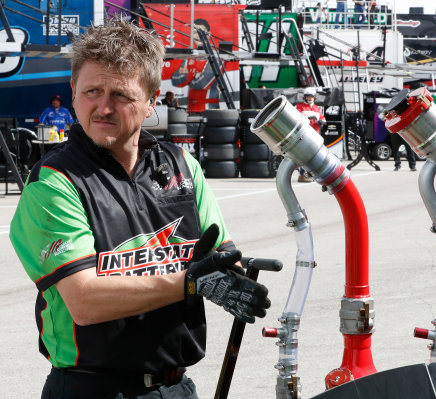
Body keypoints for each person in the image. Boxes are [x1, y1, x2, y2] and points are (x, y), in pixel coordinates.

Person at [10, 19, 270, 399]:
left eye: (121, 95)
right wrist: (191, 283)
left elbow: (215, 256)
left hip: (178, 387)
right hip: (90, 388)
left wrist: (232, 275)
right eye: (92, 91)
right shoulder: (53, 181)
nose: (103, 107)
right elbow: (85, 300)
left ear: (151, 101)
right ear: (73, 92)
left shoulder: (183, 166)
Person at [295, 87, 326, 182]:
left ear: (315, 97)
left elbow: (323, 119)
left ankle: (311, 173)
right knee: (302, 156)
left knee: (313, 156)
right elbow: (297, 117)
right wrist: (308, 117)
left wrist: (321, 121)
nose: (310, 98)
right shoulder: (300, 106)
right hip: (303, 135)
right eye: (308, 97)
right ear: (305, 97)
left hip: (315, 135)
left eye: (311, 96)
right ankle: (302, 175)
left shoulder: (317, 108)